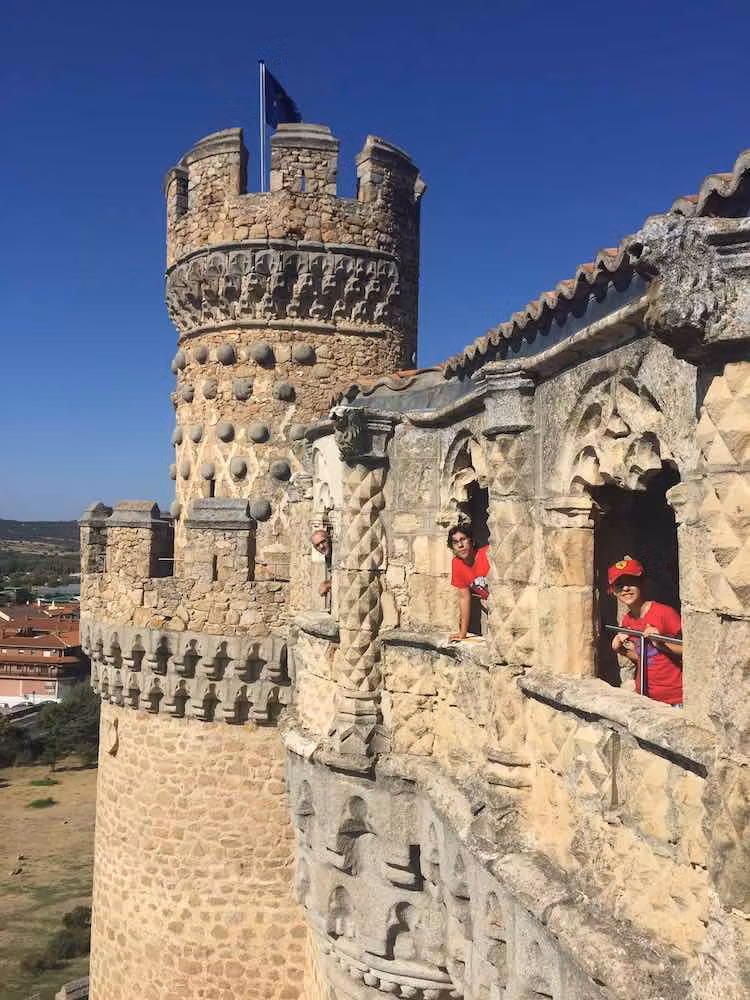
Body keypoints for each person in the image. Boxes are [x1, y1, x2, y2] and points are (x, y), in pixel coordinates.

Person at [609, 555, 683, 706]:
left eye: (631, 583)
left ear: (641, 584)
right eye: (619, 585)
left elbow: (692, 652)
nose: (625, 589)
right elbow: (645, 658)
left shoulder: (664, 613)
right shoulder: (627, 619)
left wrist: (661, 643)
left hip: (675, 698)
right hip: (645, 696)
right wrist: (621, 650)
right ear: (614, 591)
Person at [447, 523, 490, 641]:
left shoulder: (487, 554)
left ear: (472, 541)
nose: (460, 545)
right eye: (455, 542)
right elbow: (464, 598)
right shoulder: (457, 564)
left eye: (463, 539)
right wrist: (463, 632)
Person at [311, 529, 332, 600]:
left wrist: (327, 584)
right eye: (317, 545)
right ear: (315, 548)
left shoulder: (338, 552)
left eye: (323, 541)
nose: (321, 546)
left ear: (328, 539)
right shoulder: (327, 556)